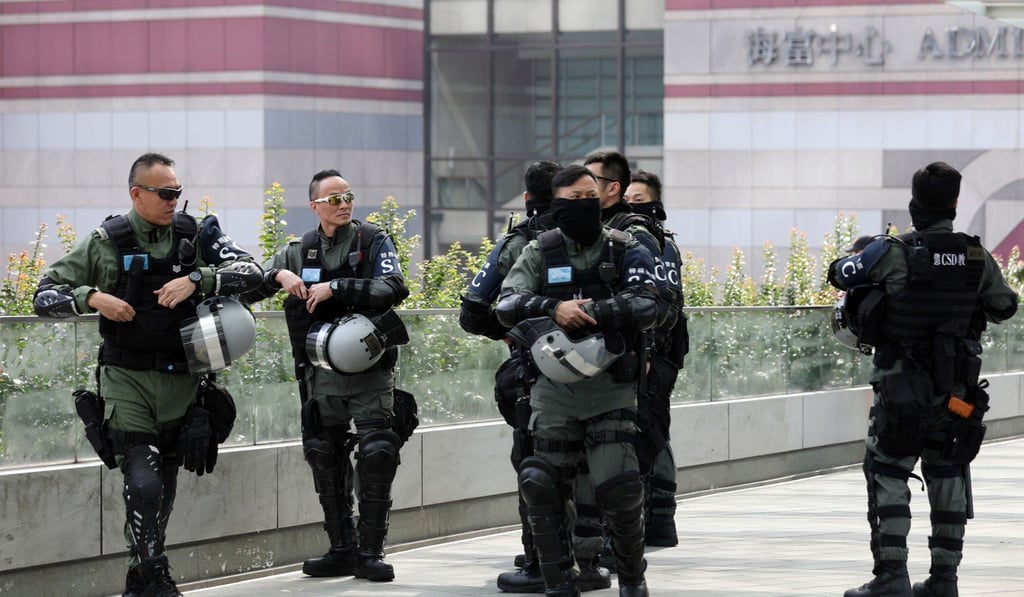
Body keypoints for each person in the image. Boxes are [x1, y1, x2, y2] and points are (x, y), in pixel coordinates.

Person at [32, 152, 264, 597]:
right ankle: (157, 576)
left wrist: (199, 280)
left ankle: (139, 578)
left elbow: (251, 272)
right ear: (136, 194)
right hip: (127, 380)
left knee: (164, 487)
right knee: (144, 481)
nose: (174, 200)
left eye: (178, 191)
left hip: (184, 382)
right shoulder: (105, 241)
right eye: (165, 193)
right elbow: (44, 297)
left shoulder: (196, 234)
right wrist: (92, 298)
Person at [827, 162, 1018, 597]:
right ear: (954, 202)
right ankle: (944, 579)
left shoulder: (893, 252)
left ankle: (891, 575)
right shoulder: (975, 257)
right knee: (948, 471)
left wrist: (865, 252)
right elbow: (1006, 306)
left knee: (887, 469)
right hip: (957, 396)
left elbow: (839, 273)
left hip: (900, 390)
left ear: (914, 203)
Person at [497, 164, 660, 597]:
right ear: (556, 205)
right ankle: (557, 583)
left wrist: (596, 312)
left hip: (610, 386)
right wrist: (554, 309)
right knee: (541, 482)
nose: (584, 206)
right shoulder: (540, 249)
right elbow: (506, 303)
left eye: (591, 197)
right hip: (554, 389)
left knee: (619, 487)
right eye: (573, 200)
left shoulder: (626, 247)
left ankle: (632, 582)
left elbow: (649, 305)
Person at [245, 169, 411, 583]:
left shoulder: (373, 241)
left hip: (370, 371)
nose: (344, 204)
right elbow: (250, 287)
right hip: (320, 376)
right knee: (324, 454)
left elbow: (393, 286)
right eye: (334, 199)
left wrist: (337, 289)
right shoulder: (298, 249)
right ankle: (341, 548)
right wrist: (277, 275)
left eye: (349, 196)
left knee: (377, 453)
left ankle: (370, 553)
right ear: (315, 205)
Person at [462, 160, 615, 593]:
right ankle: (588, 560)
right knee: (594, 462)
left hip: (538, 375)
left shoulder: (523, 243)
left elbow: (473, 312)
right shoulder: (610, 239)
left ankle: (540, 562)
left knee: (539, 467)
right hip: (603, 370)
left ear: (528, 198)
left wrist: (519, 335)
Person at [624, 171, 688, 547]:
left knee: (645, 434)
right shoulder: (667, 243)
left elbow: (654, 301)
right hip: (663, 353)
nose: (631, 207)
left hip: (654, 355)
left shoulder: (644, 242)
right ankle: (662, 518)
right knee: (657, 431)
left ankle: (653, 519)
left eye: (638, 200)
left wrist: (645, 351)